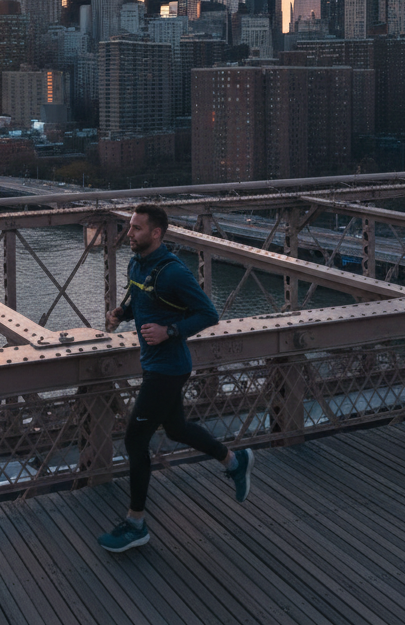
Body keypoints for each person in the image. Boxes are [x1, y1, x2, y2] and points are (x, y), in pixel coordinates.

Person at [98, 203, 253, 553]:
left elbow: (208, 314)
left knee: (136, 440)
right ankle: (234, 460)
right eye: (129, 226)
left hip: (168, 368)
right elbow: (144, 302)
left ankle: (136, 524)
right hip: (154, 363)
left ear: (157, 233)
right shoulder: (137, 263)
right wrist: (123, 313)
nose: (129, 233)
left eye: (137, 228)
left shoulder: (173, 272)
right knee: (177, 429)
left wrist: (170, 330)